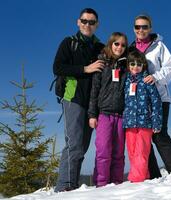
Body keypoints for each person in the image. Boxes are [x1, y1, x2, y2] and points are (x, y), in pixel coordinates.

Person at [53, 8, 105, 192]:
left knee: (82, 147)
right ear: (78, 22)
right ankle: (64, 187)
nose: (87, 25)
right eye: (84, 21)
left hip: (92, 102)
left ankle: (71, 186)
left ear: (97, 25)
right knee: (73, 143)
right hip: (72, 98)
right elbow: (58, 67)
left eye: (91, 22)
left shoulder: (100, 47)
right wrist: (85, 69)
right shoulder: (69, 43)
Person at [129, 14, 171, 178]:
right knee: (145, 137)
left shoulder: (159, 46)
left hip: (159, 97)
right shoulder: (131, 49)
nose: (141, 30)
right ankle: (152, 175)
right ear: (134, 29)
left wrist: (156, 77)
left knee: (159, 134)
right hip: (139, 101)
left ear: (150, 28)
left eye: (144, 27)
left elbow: (170, 68)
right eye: (138, 27)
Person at [88, 32, 128, 187]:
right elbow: (94, 90)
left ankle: (117, 183)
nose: (119, 47)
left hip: (121, 115)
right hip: (104, 114)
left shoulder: (126, 66)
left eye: (123, 45)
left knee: (118, 153)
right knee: (103, 150)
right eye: (116, 43)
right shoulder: (102, 63)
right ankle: (101, 184)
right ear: (111, 44)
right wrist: (92, 114)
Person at [123, 50, 162, 182]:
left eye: (139, 64)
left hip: (145, 122)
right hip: (129, 123)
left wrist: (156, 122)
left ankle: (136, 180)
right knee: (132, 151)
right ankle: (143, 176)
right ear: (128, 65)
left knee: (141, 151)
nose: (135, 67)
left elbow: (156, 103)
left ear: (143, 66)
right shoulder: (126, 82)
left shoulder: (147, 81)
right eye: (132, 64)